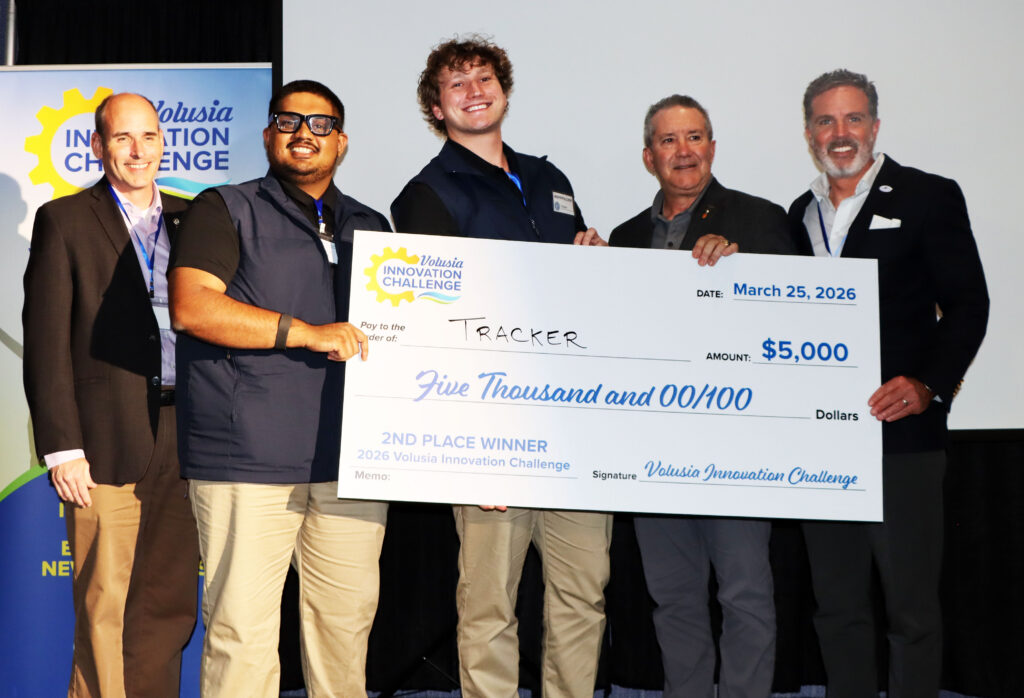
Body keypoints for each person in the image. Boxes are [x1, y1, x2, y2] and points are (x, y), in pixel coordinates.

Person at [392, 36, 609, 698]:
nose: (475, 90)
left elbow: (575, 294)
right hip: (492, 431)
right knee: (489, 603)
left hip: (571, 424)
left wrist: (594, 259)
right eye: (457, 84)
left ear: (505, 91)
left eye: (484, 78)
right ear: (437, 107)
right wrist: (473, 445)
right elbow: (436, 325)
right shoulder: (424, 196)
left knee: (584, 594)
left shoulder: (551, 179)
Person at [168, 79, 390, 698]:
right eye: (288, 121)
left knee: (345, 635)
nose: (303, 134)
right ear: (268, 135)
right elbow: (192, 308)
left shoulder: (371, 226)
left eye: (320, 125)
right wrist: (305, 333)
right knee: (242, 636)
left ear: (341, 143)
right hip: (248, 461)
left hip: (352, 464)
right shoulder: (224, 206)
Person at [789, 69, 989, 697]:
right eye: (825, 120)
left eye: (852, 119)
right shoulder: (800, 214)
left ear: (875, 127)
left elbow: (969, 304)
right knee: (837, 607)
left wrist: (930, 384)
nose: (839, 133)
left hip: (902, 437)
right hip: (823, 445)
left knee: (911, 610)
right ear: (808, 133)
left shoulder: (929, 196)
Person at [609, 94, 793, 698]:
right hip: (653, 452)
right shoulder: (625, 237)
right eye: (668, 140)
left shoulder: (761, 221)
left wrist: (747, 274)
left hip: (736, 448)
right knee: (673, 599)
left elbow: (793, 327)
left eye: (695, 137)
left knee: (745, 595)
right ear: (647, 156)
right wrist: (583, 274)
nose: (683, 151)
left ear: (712, 148)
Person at [22, 92, 198, 698]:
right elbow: (45, 341)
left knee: (170, 602)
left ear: (163, 143)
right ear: (98, 147)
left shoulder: (193, 217)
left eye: (148, 137)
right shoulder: (65, 220)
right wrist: (61, 447)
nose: (137, 150)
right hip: (101, 441)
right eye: (122, 139)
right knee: (105, 600)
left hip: (188, 439)